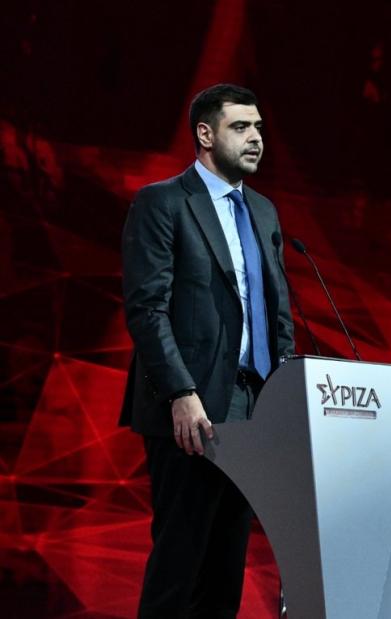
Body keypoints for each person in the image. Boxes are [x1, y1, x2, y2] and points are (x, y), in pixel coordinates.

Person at [120, 83, 295, 618]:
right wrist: (180, 392)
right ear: (205, 134)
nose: (256, 138)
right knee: (180, 565)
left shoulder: (263, 211)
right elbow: (147, 309)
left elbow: (277, 313)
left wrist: (284, 395)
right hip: (190, 408)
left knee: (225, 571)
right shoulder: (164, 202)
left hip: (253, 408)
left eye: (259, 127)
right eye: (241, 127)